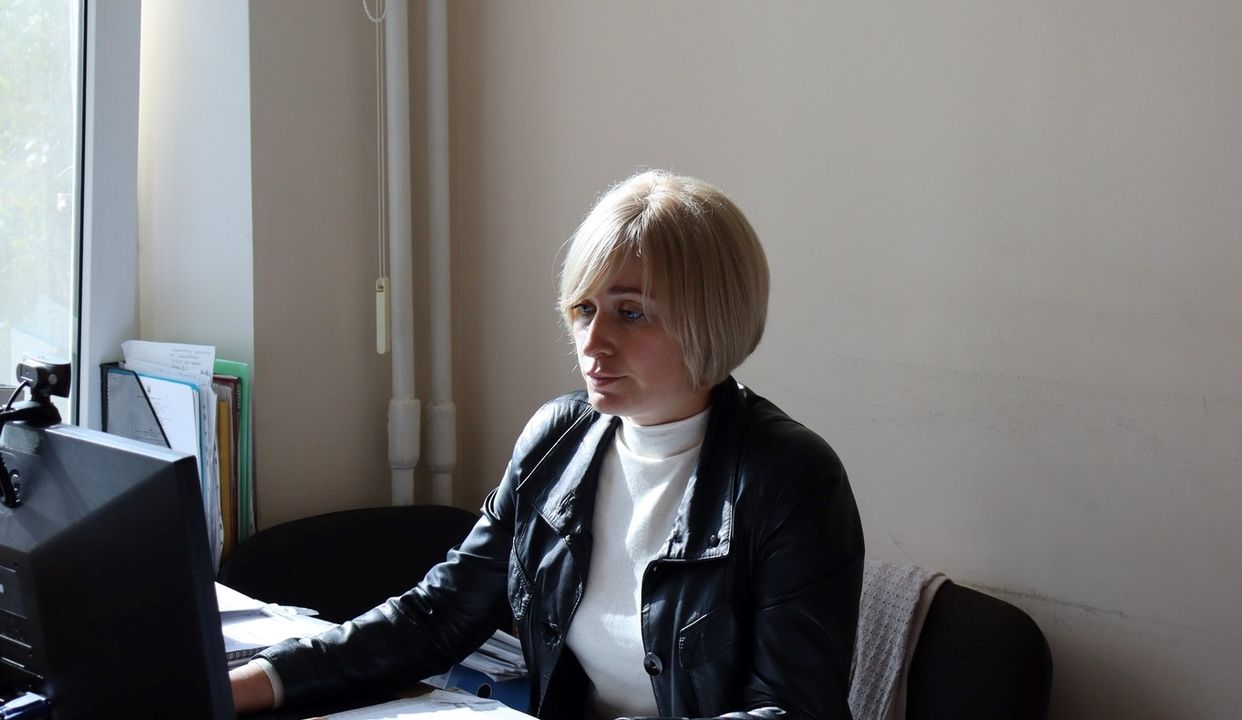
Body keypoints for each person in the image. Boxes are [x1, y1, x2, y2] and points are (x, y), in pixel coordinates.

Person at [230, 170, 864, 719]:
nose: (592, 343)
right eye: (584, 309)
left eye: (631, 312)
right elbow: (438, 616)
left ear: (711, 318)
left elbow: (794, 710)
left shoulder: (790, 478)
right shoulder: (557, 440)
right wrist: (250, 682)